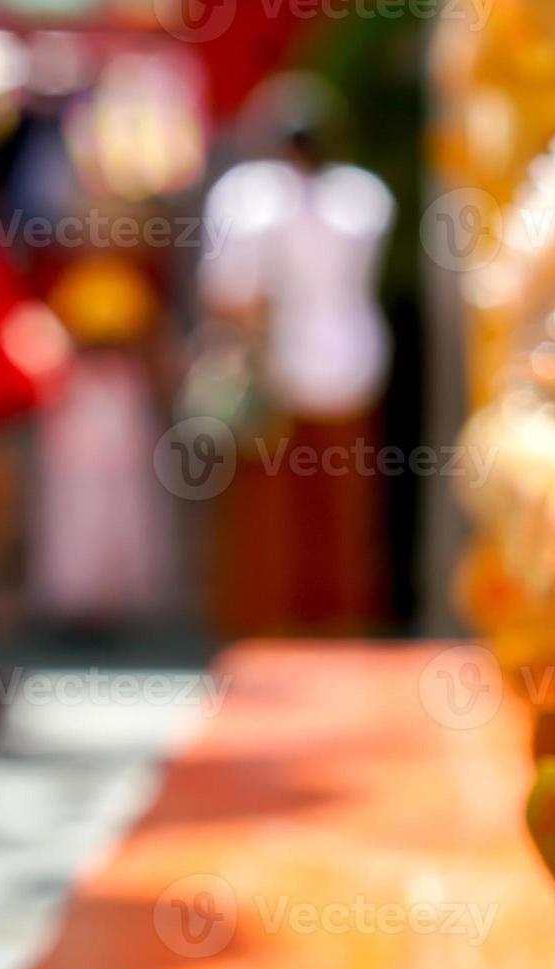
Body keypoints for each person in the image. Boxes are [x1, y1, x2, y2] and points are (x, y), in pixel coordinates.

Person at [195, 72, 397, 636]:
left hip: (274, 377)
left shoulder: (249, 196)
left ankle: (267, 628)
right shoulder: (365, 199)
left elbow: (230, 295)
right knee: (343, 518)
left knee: (268, 524)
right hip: (351, 370)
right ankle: (341, 623)